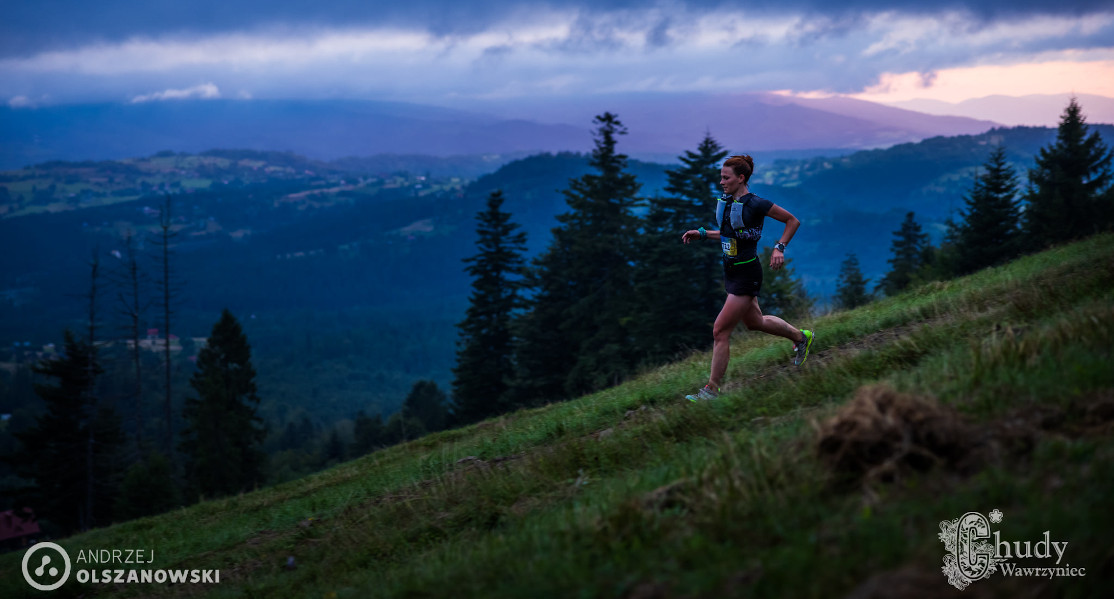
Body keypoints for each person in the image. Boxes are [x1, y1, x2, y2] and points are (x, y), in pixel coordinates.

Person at [680, 155, 814, 401]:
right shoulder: (730, 202)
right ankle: (800, 336)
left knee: (720, 330)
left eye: (726, 177)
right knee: (755, 322)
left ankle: (711, 391)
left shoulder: (757, 203)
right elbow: (728, 233)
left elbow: (792, 221)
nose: (721, 182)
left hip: (747, 274)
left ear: (741, 178)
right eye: (721, 177)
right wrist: (702, 233)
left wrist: (779, 248)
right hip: (732, 272)